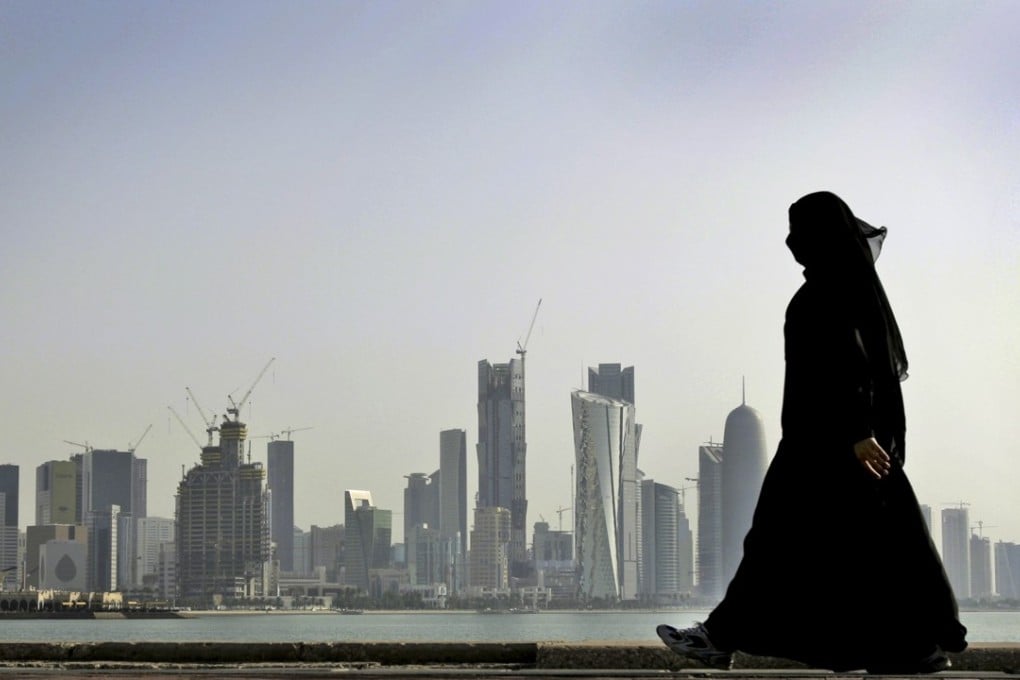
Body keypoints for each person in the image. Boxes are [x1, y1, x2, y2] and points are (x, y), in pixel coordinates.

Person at [657, 191, 967, 673]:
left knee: (780, 546)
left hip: (827, 445)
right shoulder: (841, 289)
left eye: (799, 229)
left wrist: (857, 432)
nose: (790, 241)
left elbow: (848, 369)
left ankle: (718, 637)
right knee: (862, 551)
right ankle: (907, 650)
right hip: (832, 442)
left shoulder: (829, 294)